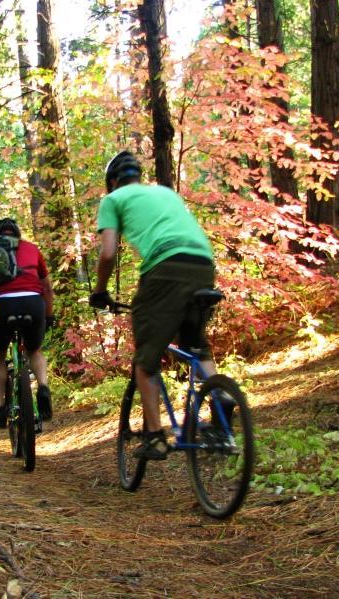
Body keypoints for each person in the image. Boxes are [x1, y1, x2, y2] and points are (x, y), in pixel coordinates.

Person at [89, 150, 227, 461]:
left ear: (112, 182)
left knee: (145, 359)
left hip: (165, 268)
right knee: (195, 345)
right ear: (138, 175)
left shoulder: (113, 200)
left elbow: (108, 253)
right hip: (204, 264)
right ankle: (220, 396)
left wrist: (100, 291)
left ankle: (154, 436)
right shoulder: (165, 193)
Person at [0, 218, 55, 428]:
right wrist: (49, 315)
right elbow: (47, 288)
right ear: (17, 234)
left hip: (2, 305)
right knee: (34, 351)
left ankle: (0, 408)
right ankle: (43, 386)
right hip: (33, 303)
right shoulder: (32, 249)